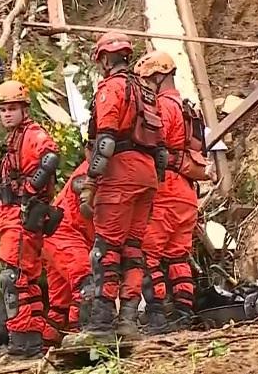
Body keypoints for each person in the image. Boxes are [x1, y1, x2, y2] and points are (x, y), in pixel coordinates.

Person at [65, 32, 165, 345]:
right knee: (134, 250)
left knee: (106, 249)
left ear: (106, 59)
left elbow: (105, 140)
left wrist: (91, 181)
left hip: (120, 172)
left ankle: (101, 324)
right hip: (146, 175)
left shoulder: (112, 87)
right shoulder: (146, 90)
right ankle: (129, 322)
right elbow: (161, 150)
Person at [134, 51, 212, 334]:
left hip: (165, 188)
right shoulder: (187, 107)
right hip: (186, 191)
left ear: (157, 77)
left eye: (146, 81)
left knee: (147, 255)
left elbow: (155, 144)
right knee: (178, 256)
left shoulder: (163, 107)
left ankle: (159, 317)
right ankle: (184, 315)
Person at [0, 80, 60, 358]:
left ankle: (22, 342)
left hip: (21, 215)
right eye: (3, 109)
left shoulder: (32, 135)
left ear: (24, 109)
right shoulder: (13, 139)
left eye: (12, 108)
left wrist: (30, 189)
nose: (7, 114)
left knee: (13, 278)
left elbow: (50, 158)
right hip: (11, 215)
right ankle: (30, 339)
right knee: (25, 280)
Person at [41, 147, 94, 347]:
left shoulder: (93, 168)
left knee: (60, 306)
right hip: (66, 234)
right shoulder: (92, 171)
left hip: (58, 236)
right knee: (85, 285)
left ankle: (47, 346)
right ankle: (82, 336)